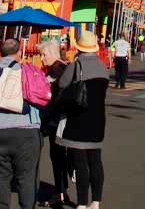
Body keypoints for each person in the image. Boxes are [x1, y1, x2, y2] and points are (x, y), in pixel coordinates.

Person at [0, 38, 41, 209]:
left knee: (0, 176)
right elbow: (40, 98)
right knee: (26, 176)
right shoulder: (28, 72)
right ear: (19, 53)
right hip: (27, 130)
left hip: (0, 130)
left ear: (2, 53)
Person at [55, 30, 107, 209]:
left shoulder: (77, 65)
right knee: (95, 160)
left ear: (80, 48)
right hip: (98, 119)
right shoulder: (102, 66)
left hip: (78, 118)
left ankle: (82, 202)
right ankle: (96, 201)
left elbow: (62, 84)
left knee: (80, 162)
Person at [39, 39, 71, 209]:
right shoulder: (64, 67)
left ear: (51, 54)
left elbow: (52, 98)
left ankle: (60, 192)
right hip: (62, 119)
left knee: (57, 157)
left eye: (43, 55)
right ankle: (61, 190)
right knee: (59, 156)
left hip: (56, 121)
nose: (41, 58)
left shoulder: (56, 71)